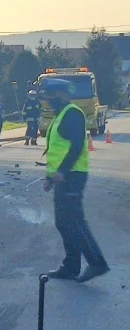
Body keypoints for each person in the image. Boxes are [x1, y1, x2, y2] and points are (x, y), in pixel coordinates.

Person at [41, 78, 109, 283]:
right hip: (64, 176)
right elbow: (56, 149)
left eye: (50, 96)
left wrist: (63, 171)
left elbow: (77, 145)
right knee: (64, 222)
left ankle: (97, 263)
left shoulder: (72, 114)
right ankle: (71, 266)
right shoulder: (61, 115)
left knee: (74, 221)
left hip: (72, 175)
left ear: (61, 94)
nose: (48, 101)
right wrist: (50, 177)